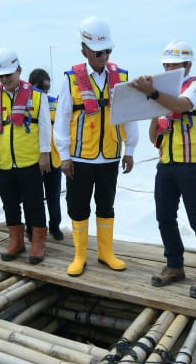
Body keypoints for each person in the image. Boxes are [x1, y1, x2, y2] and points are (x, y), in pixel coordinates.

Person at [130, 40, 196, 298]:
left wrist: (156, 95)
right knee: (164, 216)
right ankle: (174, 265)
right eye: (166, 65)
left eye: (175, 65)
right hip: (167, 163)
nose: (169, 69)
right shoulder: (162, 94)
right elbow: (153, 137)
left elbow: (182, 105)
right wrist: (152, 108)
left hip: (193, 163)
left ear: (188, 64)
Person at [54, 16, 138, 276]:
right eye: (98, 52)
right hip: (80, 158)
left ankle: (105, 253)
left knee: (106, 205)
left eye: (107, 51)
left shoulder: (121, 77)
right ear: (84, 51)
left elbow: (129, 115)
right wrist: (64, 156)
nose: (104, 56)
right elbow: (62, 119)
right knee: (78, 208)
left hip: (110, 157)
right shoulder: (71, 79)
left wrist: (130, 150)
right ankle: (80, 255)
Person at [0, 49, 52, 263]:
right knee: (9, 204)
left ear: (19, 70)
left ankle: (38, 244)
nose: (5, 80)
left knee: (34, 203)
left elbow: (45, 127)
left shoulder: (37, 96)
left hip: (29, 161)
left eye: (8, 75)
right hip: (4, 162)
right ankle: (16, 242)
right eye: (1, 77)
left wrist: (45, 154)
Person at [27, 67, 64, 240]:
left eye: (46, 88)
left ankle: (55, 226)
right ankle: (31, 228)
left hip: (54, 158)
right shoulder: (25, 104)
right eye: (40, 88)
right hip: (32, 158)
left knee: (53, 196)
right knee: (32, 197)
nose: (44, 92)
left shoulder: (54, 103)